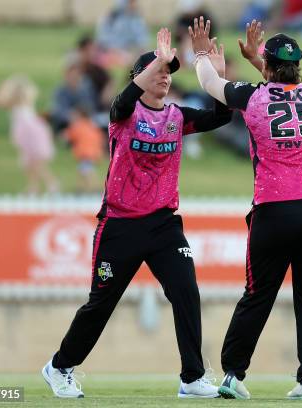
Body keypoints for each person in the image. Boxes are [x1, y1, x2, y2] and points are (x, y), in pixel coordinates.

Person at [41, 28, 232, 399]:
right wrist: (156, 61)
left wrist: (218, 79)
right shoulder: (123, 114)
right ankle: (59, 366)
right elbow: (122, 100)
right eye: (159, 69)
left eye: (169, 71)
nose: (165, 75)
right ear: (139, 77)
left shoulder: (178, 116)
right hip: (120, 225)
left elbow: (221, 117)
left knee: (186, 292)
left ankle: (192, 377)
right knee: (101, 303)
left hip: (163, 225)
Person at [190, 17, 302, 400]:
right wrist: (261, 59)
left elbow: (209, 83)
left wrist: (202, 52)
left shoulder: (252, 98)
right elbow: (283, 84)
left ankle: (233, 375)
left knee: (257, 295)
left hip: (275, 209)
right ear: (298, 68)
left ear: (268, 67)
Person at [0, 75, 59, 194]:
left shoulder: (24, 102)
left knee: (36, 162)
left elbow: (5, 100)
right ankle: (34, 187)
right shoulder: (15, 104)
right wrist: (2, 87)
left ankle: (51, 184)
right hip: (26, 135)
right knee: (29, 163)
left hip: (32, 134)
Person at [96, 0, 150, 67]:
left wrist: (139, 49)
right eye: (130, 2)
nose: (133, 5)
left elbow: (142, 38)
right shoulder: (111, 17)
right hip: (112, 51)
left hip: (131, 51)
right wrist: (115, 50)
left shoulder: (137, 18)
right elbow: (103, 38)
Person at [64, 106, 105, 193]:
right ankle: (80, 188)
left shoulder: (78, 125)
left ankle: (95, 188)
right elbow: (99, 137)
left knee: (87, 170)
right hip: (93, 152)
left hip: (85, 152)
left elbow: (70, 135)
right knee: (82, 170)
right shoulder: (91, 124)